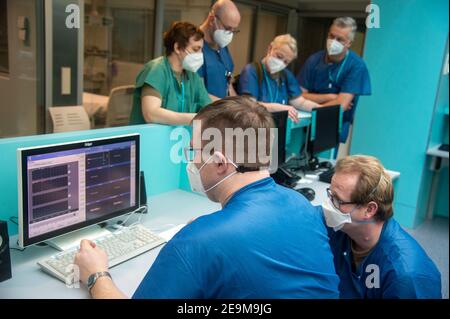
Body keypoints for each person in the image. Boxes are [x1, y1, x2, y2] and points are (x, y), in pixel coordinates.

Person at [75, 96, 340, 299]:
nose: (191, 162)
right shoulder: (302, 205)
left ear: (219, 162)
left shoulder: (199, 241)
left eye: (194, 152)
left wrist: (96, 274)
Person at [322, 155, 442, 298]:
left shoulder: (406, 276)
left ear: (369, 209)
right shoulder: (341, 228)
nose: (328, 205)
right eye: (330, 194)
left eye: (337, 200)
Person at [296, 17, 371, 143]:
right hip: (303, 125)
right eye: (331, 36)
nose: (333, 41)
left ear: (349, 43)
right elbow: (297, 96)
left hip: (333, 127)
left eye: (339, 39)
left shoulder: (356, 66)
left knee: (323, 161)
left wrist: (307, 105)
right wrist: (330, 97)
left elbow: (341, 106)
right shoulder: (314, 60)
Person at [129, 21, 211, 126]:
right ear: (177, 48)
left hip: (176, 140)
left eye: (201, 50)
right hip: (148, 139)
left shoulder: (192, 77)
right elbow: (151, 113)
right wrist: (194, 119)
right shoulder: (156, 70)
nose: (200, 55)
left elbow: (210, 110)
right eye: (195, 49)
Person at [237, 34, 319, 123]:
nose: (281, 63)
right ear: (270, 48)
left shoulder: (286, 76)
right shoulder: (252, 71)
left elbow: (300, 102)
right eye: (279, 56)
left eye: (286, 62)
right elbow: (249, 105)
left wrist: (322, 109)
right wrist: (278, 108)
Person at [198, 0, 240, 100]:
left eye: (234, 30)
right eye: (227, 28)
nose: (230, 34)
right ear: (212, 19)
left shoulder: (223, 48)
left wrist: (241, 105)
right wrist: (227, 108)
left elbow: (228, 86)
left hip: (221, 111)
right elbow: (198, 93)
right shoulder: (194, 47)